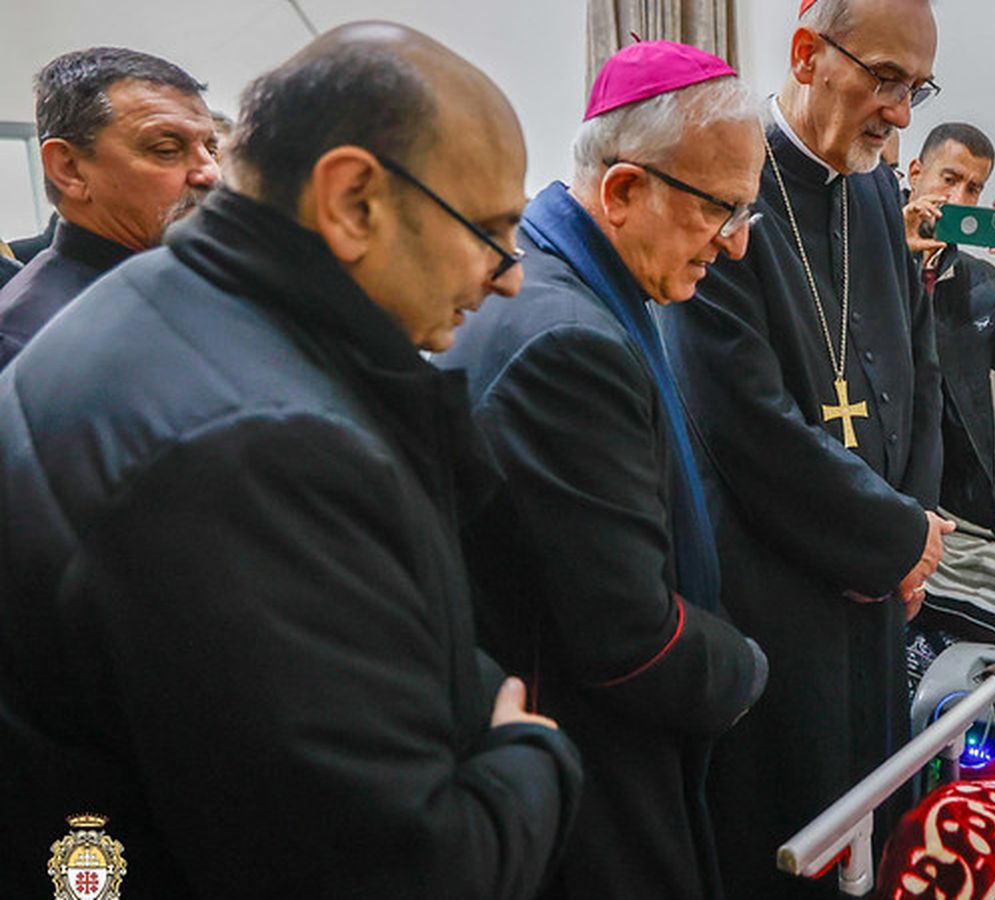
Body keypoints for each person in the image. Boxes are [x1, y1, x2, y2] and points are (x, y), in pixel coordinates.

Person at [0, 22, 581, 899]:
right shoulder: (261, 449)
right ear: (352, 201)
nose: (508, 280)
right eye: (491, 233)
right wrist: (529, 752)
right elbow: (405, 872)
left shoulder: (156, 298)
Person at [437, 42, 768, 900]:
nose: (732, 248)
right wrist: (748, 667)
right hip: (589, 767)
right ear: (623, 192)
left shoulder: (579, 282)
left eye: (745, 217)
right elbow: (629, 639)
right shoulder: (565, 338)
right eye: (719, 212)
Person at [659, 0, 948, 894]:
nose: (903, 115)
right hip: (777, 590)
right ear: (807, 54)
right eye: (886, 80)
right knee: (795, 837)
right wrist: (892, 541)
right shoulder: (728, 184)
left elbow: (918, 365)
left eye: (918, 87)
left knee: (879, 809)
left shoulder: (871, 187)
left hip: (880, 587)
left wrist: (917, 529)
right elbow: (745, 425)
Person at [0, 48, 219, 369]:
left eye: (212, 149)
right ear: (69, 169)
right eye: (167, 150)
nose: (211, 173)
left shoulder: (209, 285)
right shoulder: (28, 342)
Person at [903, 122, 995, 540]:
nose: (958, 198)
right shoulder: (869, 247)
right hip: (887, 477)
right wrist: (899, 256)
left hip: (957, 493)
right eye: (949, 179)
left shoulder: (977, 279)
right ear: (916, 173)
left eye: (973, 188)